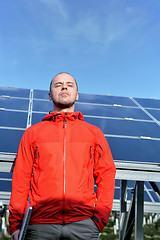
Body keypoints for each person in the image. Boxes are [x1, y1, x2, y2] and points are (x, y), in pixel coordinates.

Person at [9, 72, 116, 240]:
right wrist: (15, 224)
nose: (64, 87)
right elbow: (21, 179)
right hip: (39, 227)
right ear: (50, 96)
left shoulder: (94, 133)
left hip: (84, 226)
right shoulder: (33, 133)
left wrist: (98, 220)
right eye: (58, 85)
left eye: (69, 84)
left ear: (77, 95)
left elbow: (107, 175)